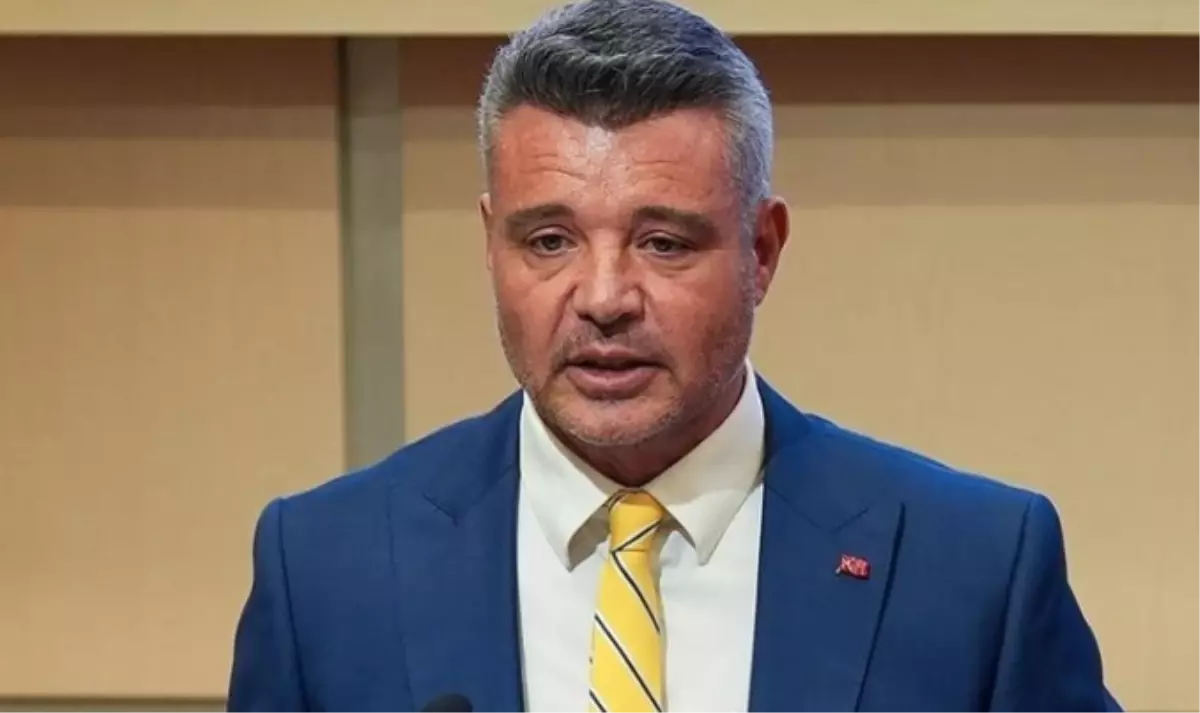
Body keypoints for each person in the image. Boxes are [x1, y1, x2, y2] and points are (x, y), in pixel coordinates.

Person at [227, 0, 1123, 711]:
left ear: (762, 250)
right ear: (491, 244)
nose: (604, 297)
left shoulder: (973, 567)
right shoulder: (327, 569)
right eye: (548, 241)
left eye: (663, 243)